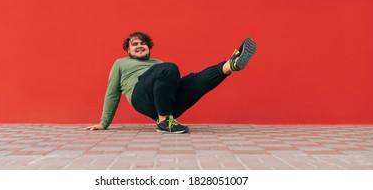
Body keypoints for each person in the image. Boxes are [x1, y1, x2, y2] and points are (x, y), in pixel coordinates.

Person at [85, 32, 256, 133]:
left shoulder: (158, 64)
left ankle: (230, 65)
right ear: (128, 50)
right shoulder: (121, 63)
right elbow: (112, 93)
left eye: (143, 44)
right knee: (170, 68)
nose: (139, 46)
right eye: (134, 44)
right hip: (141, 96)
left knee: (192, 80)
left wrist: (185, 85)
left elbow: (169, 86)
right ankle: (164, 121)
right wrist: (103, 123)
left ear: (149, 48)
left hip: (165, 102)